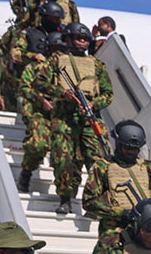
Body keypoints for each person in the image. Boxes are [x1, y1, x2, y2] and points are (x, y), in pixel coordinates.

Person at [32, 21, 113, 214]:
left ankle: (94, 201)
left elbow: (108, 94)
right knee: (64, 159)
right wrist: (62, 93)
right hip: (64, 118)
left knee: (97, 160)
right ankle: (66, 198)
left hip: (89, 118)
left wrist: (94, 104)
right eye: (78, 38)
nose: (82, 42)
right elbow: (39, 82)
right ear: (68, 39)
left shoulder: (97, 65)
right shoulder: (56, 60)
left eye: (86, 39)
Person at [82, 119, 151, 234]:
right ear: (118, 144)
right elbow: (89, 202)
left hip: (147, 231)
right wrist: (122, 213)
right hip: (116, 231)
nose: (131, 152)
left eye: (135, 149)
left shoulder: (148, 167)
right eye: (127, 148)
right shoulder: (103, 167)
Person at [17, 31, 70, 194]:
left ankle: (64, 192)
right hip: (38, 112)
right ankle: (26, 172)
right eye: (55, 49)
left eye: (61, 49)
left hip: (62, 115)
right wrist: (41, 100)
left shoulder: (68, 71)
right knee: (39, 145)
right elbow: (24, 88)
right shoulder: (34, 67)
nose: (57, 53)